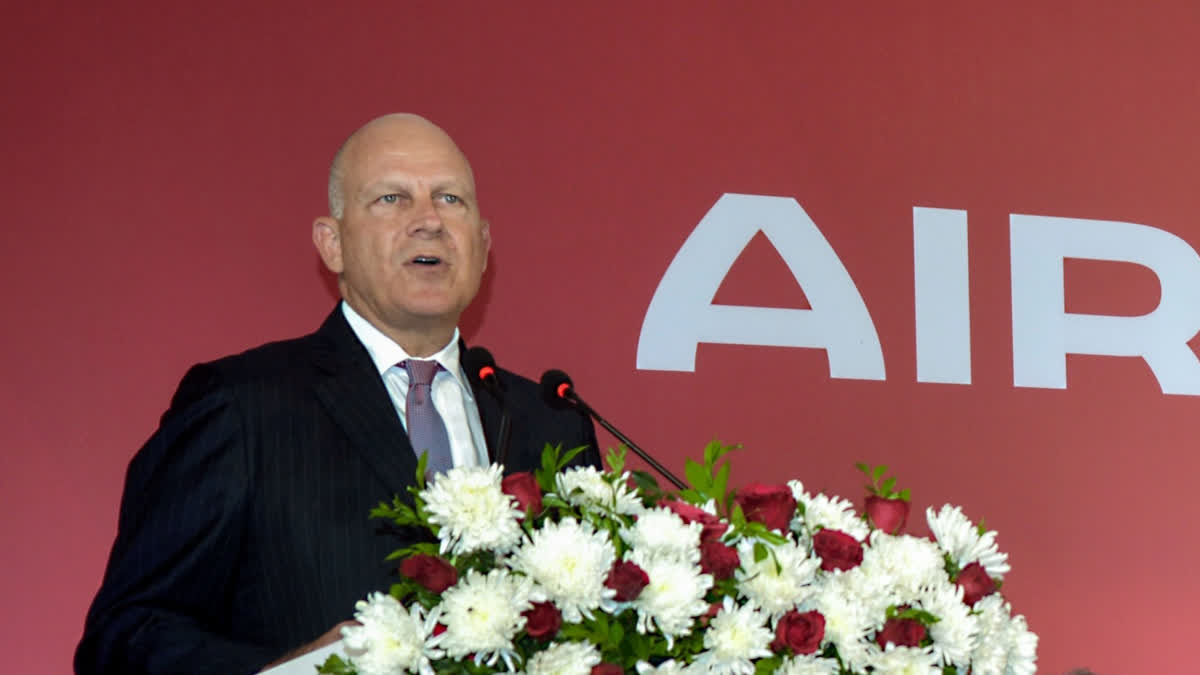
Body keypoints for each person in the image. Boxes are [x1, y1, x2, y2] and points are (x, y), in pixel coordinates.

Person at [75, 114, 601, 674]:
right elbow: (125, 640)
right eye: (392, 199)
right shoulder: (242, 407)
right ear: (332, 244)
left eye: (451, 199)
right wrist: (292, 670)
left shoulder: (550, 419)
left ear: (484, 242)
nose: (429, 220)